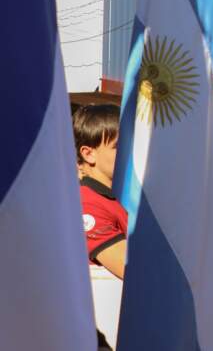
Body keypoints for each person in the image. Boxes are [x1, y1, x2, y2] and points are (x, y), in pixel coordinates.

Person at [73, 104, 126, 348]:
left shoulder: (116, 200)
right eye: (118, 146)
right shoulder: (87, 205)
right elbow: (135, 268)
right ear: (89, 153)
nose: (128, 151)